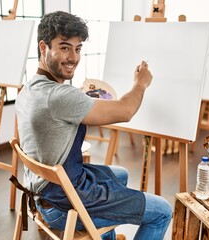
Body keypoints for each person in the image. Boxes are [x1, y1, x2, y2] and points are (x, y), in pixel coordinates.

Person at [15, 11, 172, 240]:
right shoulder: (60, 97)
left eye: (77, 49)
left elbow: (57, 110)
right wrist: (140, 84)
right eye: (64, 47)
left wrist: (79, 99)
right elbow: (125, 111)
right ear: (43, 47)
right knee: (162, 211)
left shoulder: (29, 89)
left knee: (121, 174)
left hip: (43, 190)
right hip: (63, 206)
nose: (73, 57)